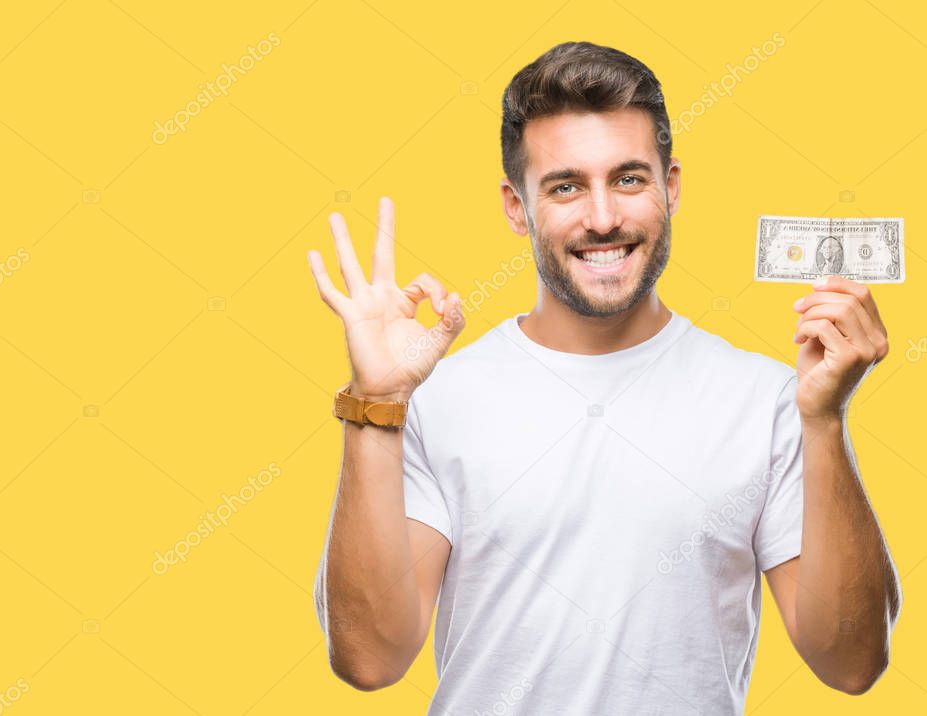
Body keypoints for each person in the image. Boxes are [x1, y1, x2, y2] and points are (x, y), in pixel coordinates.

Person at [306, 41, 901, 714]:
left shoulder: (768, 401)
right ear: (514, 206)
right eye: (564, 186)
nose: (601, 217)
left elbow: (850, 664)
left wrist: (824, 421)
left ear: (669, 186)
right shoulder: (435, 400)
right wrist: (376, 404)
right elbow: (370, 659)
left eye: (627, 179)